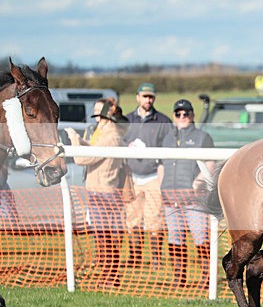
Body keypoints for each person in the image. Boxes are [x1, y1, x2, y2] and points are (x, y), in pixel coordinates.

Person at [66, 99, 130, 288]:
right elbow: (94, 150)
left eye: (98, 114)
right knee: (102, 238)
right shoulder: (104, 134)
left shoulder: (111, 137)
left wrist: (74, 139)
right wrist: (81, 139)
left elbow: (81, 158)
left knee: (106, 239)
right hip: (98, 192)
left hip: (104, 194)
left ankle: (110, 278)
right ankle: (107, 276)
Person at [161, 100, 216, 289]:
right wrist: (161, 187)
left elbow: (210, 163)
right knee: (175, 238)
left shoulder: (203, 137)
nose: (182, 117)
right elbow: (161, 164)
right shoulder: (167, 138)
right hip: (170, 198)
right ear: (174, 115)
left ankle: (207, 277)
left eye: (186, 113)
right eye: (178, 114)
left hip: (193, 200)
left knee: (200, 237)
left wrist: (197, 183)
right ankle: (179, 278)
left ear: (192, 115)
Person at [123, 83, 173, 268]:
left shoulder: (164, 121)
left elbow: (169, 149)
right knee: (132, 219)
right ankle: (135, 258)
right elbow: (119, 142)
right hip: (132, 177)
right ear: (137, 97)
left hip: (153, 177)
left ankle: (155, 258)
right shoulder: (126, 120)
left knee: (155, 220)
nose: (148, 100)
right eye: (144, 96)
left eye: (151, 97)